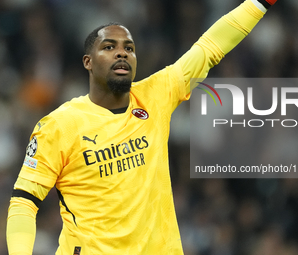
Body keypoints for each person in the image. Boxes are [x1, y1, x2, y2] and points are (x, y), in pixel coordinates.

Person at [6, 0, 277, 254]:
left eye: (129, 47)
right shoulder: (59, 125)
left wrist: (259, 3)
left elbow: (208, 48)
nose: (122, 52)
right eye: (109, 47)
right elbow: (23, 202)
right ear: (88, 62)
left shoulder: (155, 95)